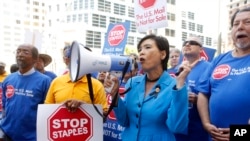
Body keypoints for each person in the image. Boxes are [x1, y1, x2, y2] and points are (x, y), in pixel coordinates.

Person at [108, 34, 193, 141]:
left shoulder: (175, 86)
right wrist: (115, 96)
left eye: (147, 47)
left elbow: (177, 127)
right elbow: (124, 121)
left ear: (162, 54)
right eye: (140, 49)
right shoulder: (132, 83)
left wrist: (180, 84)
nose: (141, 52)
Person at [197, 7, 250, 141]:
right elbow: (203, 93)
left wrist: (239, 134)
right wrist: (206, 124)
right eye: (236, 24)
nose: (240, 27)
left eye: (247, 22)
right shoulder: (219, 60)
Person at [0, 44, 51, 140]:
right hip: (7, 134)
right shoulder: (9, 79)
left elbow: (48, 110)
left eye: (25, 52)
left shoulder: (45, 81)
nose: (20, 54)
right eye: (18, 51)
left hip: (32, 136)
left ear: (35, 59)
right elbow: (4, 106)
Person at [44, 46, 108, 115]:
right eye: (72, 58)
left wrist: (84, 106)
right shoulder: (56, 82)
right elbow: (47, 110)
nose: (78, 61)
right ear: (66, 60)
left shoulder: (97, 85)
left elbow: (104, 114)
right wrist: (61, 107)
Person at [174, 36, 210, 141]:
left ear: (201, 49)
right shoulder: (178, 69)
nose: (187, 44)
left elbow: (218, 96)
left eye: (192, 42)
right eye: (184, 43)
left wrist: (200, 100)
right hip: (178, 128)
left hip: (199, 129)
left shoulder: (209, 67)